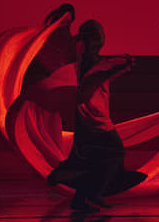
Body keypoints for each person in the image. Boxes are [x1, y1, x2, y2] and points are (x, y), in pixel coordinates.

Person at [47, 20, 147, 212]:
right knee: (115, 152)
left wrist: (120, 65)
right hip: (96, 121)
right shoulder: (93, 63)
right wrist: (122, 64)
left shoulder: (82, 61)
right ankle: (91, 191)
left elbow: (102, 73)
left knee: (90, 160)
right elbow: (99, 75)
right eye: (100, 34)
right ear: (96, 39)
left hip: (84, 120)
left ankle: (80, 198)